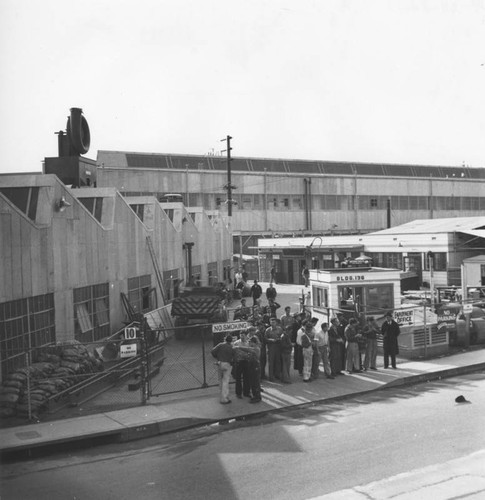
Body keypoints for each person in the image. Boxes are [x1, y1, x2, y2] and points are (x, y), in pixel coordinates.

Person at [235, 333, 262, 403]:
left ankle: (257, 397)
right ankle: (255, 395)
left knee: (255, 382)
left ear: (254, 343)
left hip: (255, 367)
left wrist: (238, 347)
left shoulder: (256, 348)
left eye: (250, 342)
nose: (249, 343)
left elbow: (248, 349)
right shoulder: (253, 348)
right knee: (252, 382)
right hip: (252, 366)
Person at [211, 335, 234, 404]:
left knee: (220, 380)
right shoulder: (232, 347)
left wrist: (217, 357)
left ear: (225, 339)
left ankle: (221, 396)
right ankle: (224, 398)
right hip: (227, 364)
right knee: (225, 381)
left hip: (220, 363)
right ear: (231, 341)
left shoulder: (220, 345)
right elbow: (234, 356)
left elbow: (212, 351)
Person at [233, 331, 251, 399]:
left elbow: (251, 351)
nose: (242, 337)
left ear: (246, 336)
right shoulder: (236, 343)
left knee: (247, 377)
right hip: (239, 362)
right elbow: (234, 352)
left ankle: (246, 392)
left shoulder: (248, 343)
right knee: (238, 378)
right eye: (241, 335)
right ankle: (238, 393)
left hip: (246, 361)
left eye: (243, 335)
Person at [265, 317, 283, 381]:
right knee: (271, 362)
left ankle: (277, 374)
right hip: (271, 347)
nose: (273, 324)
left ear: (276, 323)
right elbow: (265, 338)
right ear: (270, 323)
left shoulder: (280, 329)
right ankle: (271, 376)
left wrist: (279, 339)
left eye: (274, 322)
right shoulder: (268, 330)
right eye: (271, 322)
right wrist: (271, 340)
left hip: (278, 347)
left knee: (278, 361)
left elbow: (282, 336)